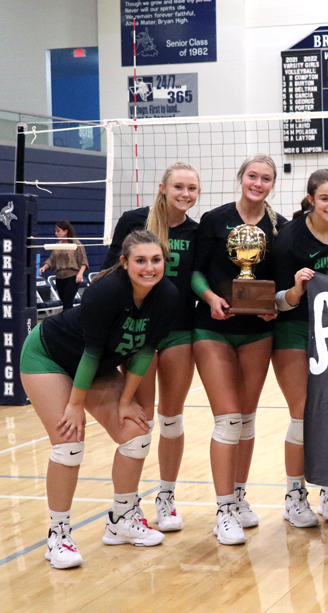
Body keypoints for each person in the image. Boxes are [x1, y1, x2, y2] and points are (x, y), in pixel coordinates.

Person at [20, 230, 178, 569]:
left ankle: (122, 520)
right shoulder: (105, 292)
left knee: (136, 433)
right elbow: (90, 352)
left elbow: (145, 350)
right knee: (69, 441)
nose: (149, 268)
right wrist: (75, 406)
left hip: (99, 366)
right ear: (124, 263)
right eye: (140, 260)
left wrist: (126, 402)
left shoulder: (167, 296)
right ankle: (58, 534)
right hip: (49, 357)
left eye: (156, 260)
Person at [100, 162, 201, 532]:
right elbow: (111, 269)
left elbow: (197, 278)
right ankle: (127, 506)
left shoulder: (196, 230)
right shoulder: (134, 220)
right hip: (139, 330)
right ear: (163, 188)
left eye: (192, 188)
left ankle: (167, 497)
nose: (185, 194)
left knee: (171, 417)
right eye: (179, 187)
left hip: (177, 331)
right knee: (140, 417)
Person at [192, 154, 287, 545]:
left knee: (246, 419)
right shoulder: (215, 220)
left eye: (266, 179)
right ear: (241, 178)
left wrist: (272, 307)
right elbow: (195, 273)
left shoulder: (278, 227)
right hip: (213, 327)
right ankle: (223, 509)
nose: (258, 183)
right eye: (253, 176)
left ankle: (240, 495)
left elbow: (278, 281)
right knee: (227, 419)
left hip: (257, 332)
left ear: (272, 185)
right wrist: (211, 297)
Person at [272, 169, 328, 527]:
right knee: (302, 412)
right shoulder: (289, 240)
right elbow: (277, 302)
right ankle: (295, 497)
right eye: (324, 198)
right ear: (311, 200)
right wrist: (295, 289)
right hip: (293, 327)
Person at [40, 220, 88, 311]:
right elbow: (51, 260)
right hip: (59, 277)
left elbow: (84, 261)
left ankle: (67, 323)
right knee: (64, 302)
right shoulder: (58, 245)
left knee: (67, 303)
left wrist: (80, 274)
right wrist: (44, 267)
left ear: (65, 232)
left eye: (58, 231)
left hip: (72, 276)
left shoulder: (76, 244)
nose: (56, 233)